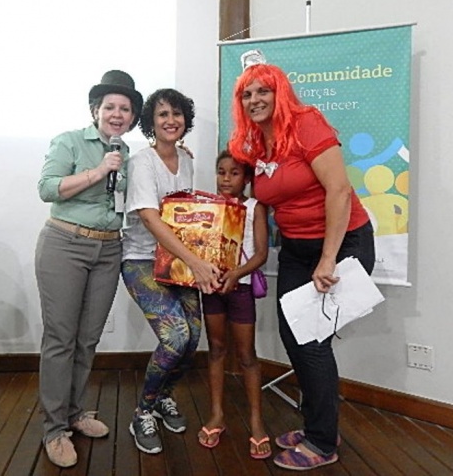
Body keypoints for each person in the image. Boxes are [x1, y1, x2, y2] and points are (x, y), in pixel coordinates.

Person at [228, 56, 375, 471]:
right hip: (296, 249)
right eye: (247, 94)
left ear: (281, 93)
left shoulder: (306, 122)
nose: (255, 99)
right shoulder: (255, 143)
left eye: (263, 90)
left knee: (311, 343)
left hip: (342, 243)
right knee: (294, 337)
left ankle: (323, 442)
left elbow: (339, 191)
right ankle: (317, 425)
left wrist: (328, 259)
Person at [35, 70, 143, 468]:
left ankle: (75, 412)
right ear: (96, 110)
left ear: (132, 118)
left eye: (125, 109)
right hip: (65, 244)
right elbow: (47, 188)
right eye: (110, 107)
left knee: (87, 339)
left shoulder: (128, 153)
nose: (117, 114)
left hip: (109, 249)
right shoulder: (70, 141)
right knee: (61, 339)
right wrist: (98, 172)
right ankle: (54, 429)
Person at [121, 88, 222, 455]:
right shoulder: (142, 162)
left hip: (177, 261)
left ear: (185, 120)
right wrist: (195, 262)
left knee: (193, 339)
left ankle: (163, 396)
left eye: (176, 114)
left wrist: (201, 257)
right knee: (175, 337)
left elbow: (186, 217)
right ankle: (142, 412)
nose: (170, 120)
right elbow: (150, 218)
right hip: (141, 260)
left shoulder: (186, 160)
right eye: (162, 114)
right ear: (151, 121)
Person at [197, 150, 271, 460]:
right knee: (216, 349)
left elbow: (261, 253)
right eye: (221, 172)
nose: (226, 178)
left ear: (247, 178)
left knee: (246, 355)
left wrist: (237, 274)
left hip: (241, 288)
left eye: (234, 173)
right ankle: (216, 415)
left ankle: (256, 421)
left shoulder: (255, 208)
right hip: (212, 287)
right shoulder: (208, 207)